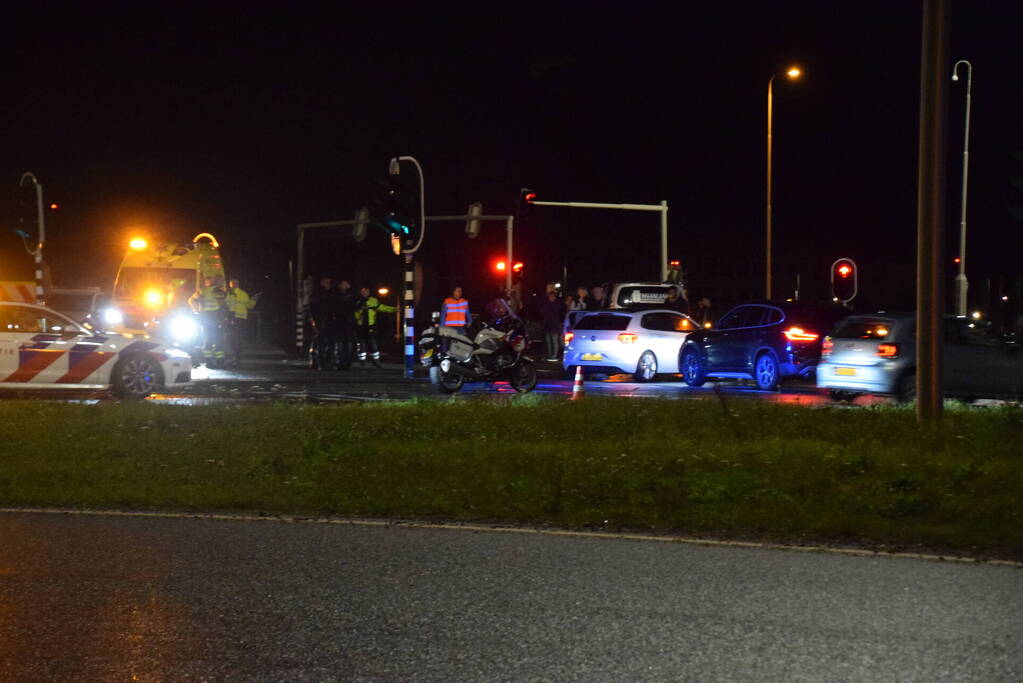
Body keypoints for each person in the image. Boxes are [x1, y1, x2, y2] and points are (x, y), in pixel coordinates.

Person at [189, 276, 227, 367]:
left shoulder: (203, 291)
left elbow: (191, 300)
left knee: (208, 339)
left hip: (209, 317)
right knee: (216, 339)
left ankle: (210, 362)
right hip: (213, 317)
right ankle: (218, 362)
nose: (208, 282)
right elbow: (223, 303)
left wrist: (196, 310)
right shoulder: (214, 290)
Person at [355, 286, 397, 367]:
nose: (365, 293)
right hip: (360, 325)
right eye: (363, 291)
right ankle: (362, 361)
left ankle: (376, 360)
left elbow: (382, 307)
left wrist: (395, 309)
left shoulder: (373, 301)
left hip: (370, 325)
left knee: (372, 342)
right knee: (361, 343)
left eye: (367, 291)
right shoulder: (356, 300)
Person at [224, 278, 256, 368]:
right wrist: (253, 301)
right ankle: (236, 359)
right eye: (232, 283)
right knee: (234, 340)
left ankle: (236, 359)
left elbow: (248, 305)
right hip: (236, 319)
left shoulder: (236, 294)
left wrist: (252, 302)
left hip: (236, 319)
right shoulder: (240, 294)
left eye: (234, 283)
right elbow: (250, 305)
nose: (233, 285)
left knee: (234, 340)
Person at [308, 276, 337, 370]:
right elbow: (313, 308)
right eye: (325, 282)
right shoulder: (317, 294)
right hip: (320, 321)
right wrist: (315, 321)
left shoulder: (332, 293)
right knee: (321, 343)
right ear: (322, 283)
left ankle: (328, 361)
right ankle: (320, 362)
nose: (327, 284)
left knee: (331, 343)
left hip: (330, 321)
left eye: (329, 282)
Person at [334, 279, 359, 370]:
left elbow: (356, 307)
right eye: (342, 284)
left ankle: (347, 362)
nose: (344, 286)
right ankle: (341, 361)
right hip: (339, 321)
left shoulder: (353, 295)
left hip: (349, 321)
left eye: (346, 284)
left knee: (349, 342)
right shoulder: (335, 295)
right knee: (340, 342)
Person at [538, 290, 564, 361]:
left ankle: (554, 354)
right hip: (547, 324)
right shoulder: (546, 303)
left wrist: (547, 312)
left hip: (554, 324)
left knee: (554, 341)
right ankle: (550, 354)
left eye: (552, 296)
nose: (550, 298)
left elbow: (554, 313)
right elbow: (542, 312)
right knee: (549, 341)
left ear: (555, 297)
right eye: (549, 296)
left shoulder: (557, 304)